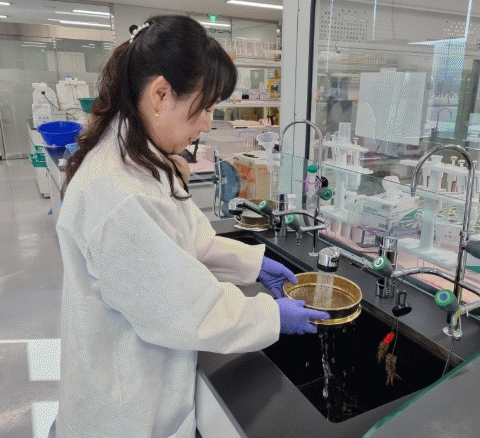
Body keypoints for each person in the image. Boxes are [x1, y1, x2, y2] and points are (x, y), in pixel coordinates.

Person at [53, 15, 329, 438]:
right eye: (205, 107)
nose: (207, 124)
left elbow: (188, 239)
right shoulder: (120, 194)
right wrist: (270, 315)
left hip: (142, 393)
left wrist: (254, 265)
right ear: (161, 94)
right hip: (122, 416)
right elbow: (185, 308)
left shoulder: (140, 158)